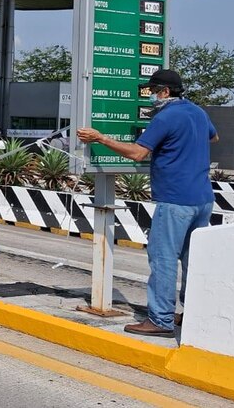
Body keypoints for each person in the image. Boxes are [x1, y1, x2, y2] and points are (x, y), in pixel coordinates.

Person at [77, 69, 218, 337]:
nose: (151, 96)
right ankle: (191, 314)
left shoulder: (165, 117)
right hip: (203, 199)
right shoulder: (198, 112)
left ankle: (160, 320)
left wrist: (100, 138)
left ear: (165, 92)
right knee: (193, 261)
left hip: (175, 199)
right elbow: (214, 137)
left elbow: (138, 153)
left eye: (153, 91)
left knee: (164, 260)